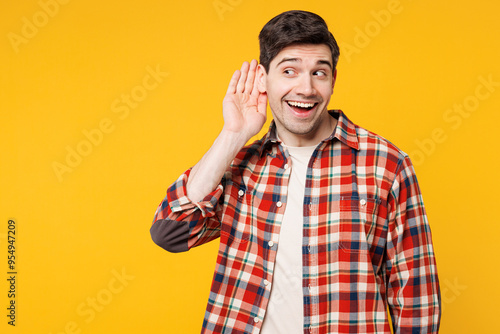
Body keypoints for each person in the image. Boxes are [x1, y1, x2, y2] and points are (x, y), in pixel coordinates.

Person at [150, 10, 441, 334]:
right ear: (263, 78)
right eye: (290, 70)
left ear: (333, 80)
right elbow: (169, 234)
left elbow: (416, 296)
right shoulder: (239, 164)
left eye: (320, 72)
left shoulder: (385, 163)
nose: (306, 88)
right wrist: (232, 135)